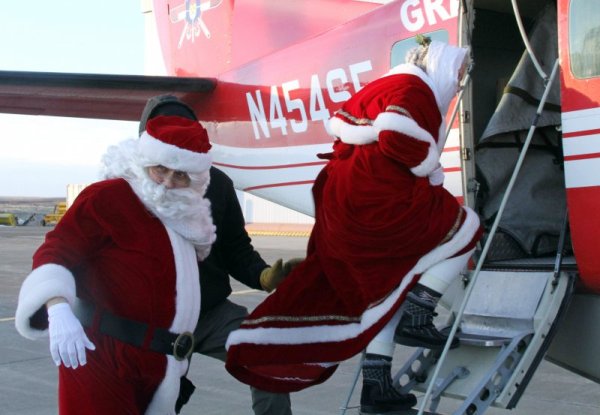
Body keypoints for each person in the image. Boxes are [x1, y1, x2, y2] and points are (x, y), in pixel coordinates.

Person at [225, 37, 483, 415]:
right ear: (441, 67)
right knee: (465, 226)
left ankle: (376, 384)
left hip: (346, 203)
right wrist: (430, 169)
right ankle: (421, 309)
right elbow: (398, 135)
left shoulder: (386, 85)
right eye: (457, 74)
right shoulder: (413, 88)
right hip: (374, 204)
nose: (459, 82)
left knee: (388, 284)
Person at [15, 115, 217, 414]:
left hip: (160, 364)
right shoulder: (110, 196)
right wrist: (57, 308)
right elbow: (56, 251)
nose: (168, 182)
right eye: (160, 169)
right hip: (104, 355)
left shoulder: (187, 218)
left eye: (181, 176)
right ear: (144, 162)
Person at [139, 95, 300, 414]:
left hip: (208, 312)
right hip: (146, 320)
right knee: (146, 398)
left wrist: (264, 276)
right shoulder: (126, 188)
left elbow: (235, 249)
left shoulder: (218, 185)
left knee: (266, 352)